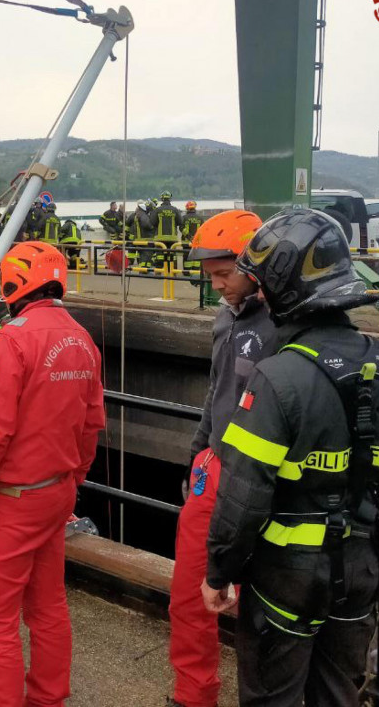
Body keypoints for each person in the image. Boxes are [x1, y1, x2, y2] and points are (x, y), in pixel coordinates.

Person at [203, 207, 379, 707]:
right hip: (363, 571)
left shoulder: (277, 379)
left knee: (271, 697)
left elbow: (242, 502)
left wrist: (218, 572)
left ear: (284, 290)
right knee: (337, 694)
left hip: (286, 577)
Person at [0, 241, 105, 707]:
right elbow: (92, 423)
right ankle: (48, 700)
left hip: (12, 501)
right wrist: (72, 481)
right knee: (49, 607)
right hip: (55, 495)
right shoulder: (82, 338)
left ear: (16, 283)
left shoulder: (11, 340)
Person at [168, 210, 271, 707]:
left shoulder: (281, 325)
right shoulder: (225, 318)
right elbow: (215, 392)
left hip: (260, 478)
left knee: (262, 609)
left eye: (225, 274)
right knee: (189, 595)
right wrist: (198, 452)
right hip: (215, 468)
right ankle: (193, 696)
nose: (218, 287)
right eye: (211, 277)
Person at [154, 192, 183, 268]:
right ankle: (172, 272)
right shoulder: (175, 210)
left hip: (160, 238)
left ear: (162, 199)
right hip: (172, 238)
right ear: (170, 199)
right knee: (172, 255)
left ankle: (159, 271)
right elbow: (180, 222)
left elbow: (152, 222)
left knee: (160, 255)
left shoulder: (157, 210)